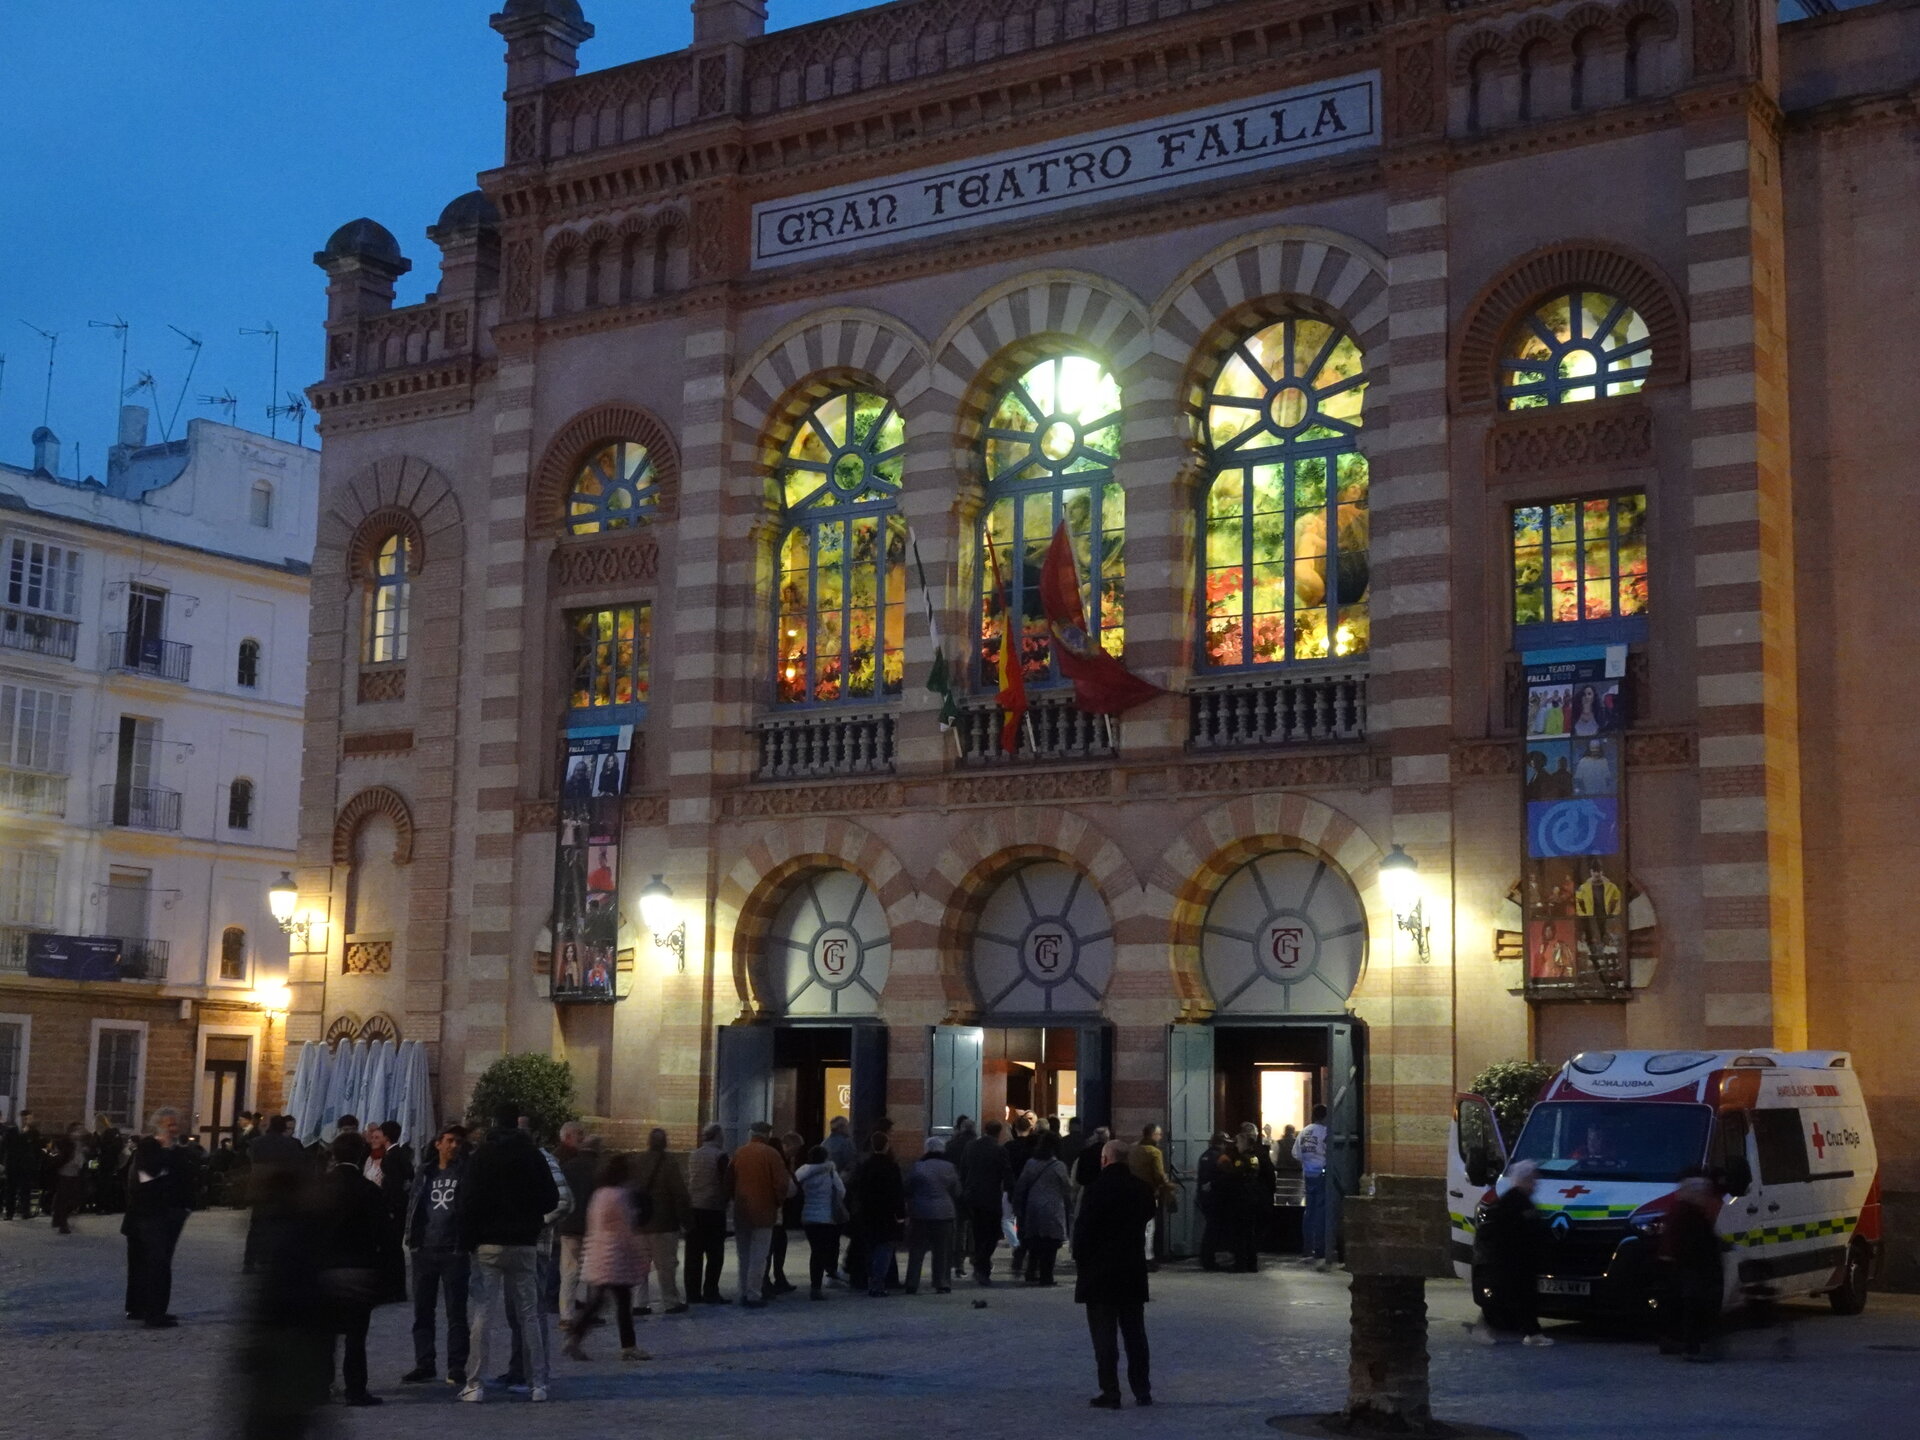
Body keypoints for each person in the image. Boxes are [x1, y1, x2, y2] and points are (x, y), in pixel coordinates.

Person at [458, 1107, 560, 1403]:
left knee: (482, 1314)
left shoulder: (482, 1157)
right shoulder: (532, 1156)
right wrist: (531, 1219)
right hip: (524, 1244)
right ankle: (538, 1383)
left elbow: (468, 1202)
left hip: (487, 1244)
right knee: (529, 1315)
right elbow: (551, 1198)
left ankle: (475, 1383)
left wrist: (468, 1240)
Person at [1073, 1140, 1157, 1410]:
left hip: (1100, 1273)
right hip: (1131, 1269)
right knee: (1135, 1334)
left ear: (1105, 1159)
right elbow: (1148, 1215)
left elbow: (1083, 1232)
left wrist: (1082, 1261)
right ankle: (1142, 1389)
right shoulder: (1141, 1189)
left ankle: (1111, 1391)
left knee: (1104, 1336)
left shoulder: (1096, 1190)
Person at [315, 1131, 394, 1407]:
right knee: (356, 1335)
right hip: (359, 1268)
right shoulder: (369, 1190)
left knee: (325, 1333)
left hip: (325, 1268)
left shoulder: (319, 1188)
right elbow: (384, 1235)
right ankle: (355, 1389)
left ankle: (320, 1386)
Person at [564, 1152, 651, 1362]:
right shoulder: (620, 1196)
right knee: (621, 1301)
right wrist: (641, 1255)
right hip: (615, 1257)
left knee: (597, 1302)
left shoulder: (600, 1193)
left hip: (598, 1254)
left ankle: (574, 1338)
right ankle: (628, 1347)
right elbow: (627, 1229)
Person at [402, 1125, 471, 1386]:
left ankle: (456, 1366)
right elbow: (414, 1205)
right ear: (438, 1144)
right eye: (450, 1141)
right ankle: (425, 1362)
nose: (455, 1146)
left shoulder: (465, 1172)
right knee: (423, 1311)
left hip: (454, 1249)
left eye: (458, 1142)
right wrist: (412, 1240)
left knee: (456, 1312)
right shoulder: (426, 1172)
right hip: (426, 1249)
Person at [1468, 1160, 1552, 1347]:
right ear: (1523, 1180)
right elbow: (1507, 1231)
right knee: (1508, 1296)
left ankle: (1532, 1332)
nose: (1535, 1183)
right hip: (1511, 1260)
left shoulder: (1520, 1200)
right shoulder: (1513, 1202)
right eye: (1532, 1179)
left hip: (1519, 1260)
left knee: (1522, 1297)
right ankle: (1489, 1328)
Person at [123, 1107, 190, 1327]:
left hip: (166, 1213)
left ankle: (144, 1307)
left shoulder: (177, 1150)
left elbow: (183, 1177)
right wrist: (166, 1158)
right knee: (154, 1262)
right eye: (170, 1124)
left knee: (154, 1261)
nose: (174, 1128)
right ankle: (151, 1312)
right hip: (148, 1214)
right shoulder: (149, 1146)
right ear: (160, 1125)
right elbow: (148, 1175)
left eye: (175, 1124)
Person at [1660, 1172, 1725, 1362]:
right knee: (1694, 1305)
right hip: (1692, 1267)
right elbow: (1698, 1243)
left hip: (1685, 1266)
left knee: (1685, 1305)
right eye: (1704, 1193)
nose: (1707, 1197)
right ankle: (1692, 1347)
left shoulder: (1682, 1211)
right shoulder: (1690, 1214)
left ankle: (1680, 1342)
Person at [731, 1121, 795, 1308]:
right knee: (759, 1256)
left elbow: (728, 1180)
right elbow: (782, 1184)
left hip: (741, 1211)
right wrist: (778, 1201)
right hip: (764, 1212)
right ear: (766, 1135)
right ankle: (753, 1294)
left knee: (743, 1255)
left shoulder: (739, 1152)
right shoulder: (772, 1154)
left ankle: (743, 1291)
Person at [633, 1127, 691, 1314]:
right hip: (664, 1223)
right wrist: (686, 1220)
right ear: (665, 1142)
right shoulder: (669, 1163)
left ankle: (639, 1302)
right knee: (666, 1266)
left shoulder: (637, 1161)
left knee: (640, 1266)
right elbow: (680, 1194)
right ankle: (670, 1301)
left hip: (640, 1222)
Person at [246, 1115, 308, 1274]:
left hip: (261, 1190)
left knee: (257, 1227)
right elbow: (300, 1167)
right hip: (281, 1191)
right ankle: (271, 1259)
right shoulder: (291, 1145)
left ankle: (250, 1261)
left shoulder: (256, 1143)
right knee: (278, 1227)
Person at [551, 1121, 597, 1336]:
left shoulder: (563, 1165)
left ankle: (566, 1316)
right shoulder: (590, 1169)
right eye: (578, 1133)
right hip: (587, 1226)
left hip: (568, 1225)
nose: (581, 1136)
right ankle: (588, 1312)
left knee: (568, 1272)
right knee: (590, 1272)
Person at [848, 1132, 906, 1297]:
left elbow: (857, 1189)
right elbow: (897, 1193)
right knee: (885, 1248)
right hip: (886, 1213)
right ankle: (878, 1283)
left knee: (870, 1247)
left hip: (867, 1212)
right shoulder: (891, 1166)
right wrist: (901, 1214)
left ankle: (869, 1278)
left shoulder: (865, 1165)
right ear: (886, 1145)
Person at [1012, 1131, 1072, 1285]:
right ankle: (1047, 1276)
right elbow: (1067, 1188)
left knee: (1035, 1241)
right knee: (1051, 1244)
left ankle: (1031, 1271)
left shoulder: (1031, 1163)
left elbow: (1021, 1185)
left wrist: (1018, 1205)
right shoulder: (1059, 1166)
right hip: (1053, 1208)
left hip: (1033, 1207)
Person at [904, 1135, 962, 1294]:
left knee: (917, 1249)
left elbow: (908, 1187)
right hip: (944, 1212)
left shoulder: (918, 1166)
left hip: (921, 1212)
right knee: (942, 1250)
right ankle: (941, 1282)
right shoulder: (949, 1167)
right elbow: (957, 1190)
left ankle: (912, 1282)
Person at [959, 1118, 1011, 1284]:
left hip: (973, 1196)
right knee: (992, 1233)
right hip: (991, 1197)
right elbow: (1006, 1173)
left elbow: (963, 1170)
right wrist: (1011, 1193)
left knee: (978, 1232)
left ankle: (980, 1264)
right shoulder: (999, 1150)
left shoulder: (971, 1147)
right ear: (998, 1133)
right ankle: (982, 1264)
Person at [685, 1123, 732, 1304]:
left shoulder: (694, 1155)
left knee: (693, 1254)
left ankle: (692, 1292)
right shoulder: (720, 1156)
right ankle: (711, 1290)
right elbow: (725, 1182)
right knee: (714, 1254)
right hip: (713, 1208)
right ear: (718, 1137)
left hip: (694, 1207)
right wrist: (726, 1201)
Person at [793, 1144, 846, 1300]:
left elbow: (795, 1188)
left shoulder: (802, 1172)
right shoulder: (830, 1172)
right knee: (821, 1251)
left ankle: (815, 1285)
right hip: (826, 1217)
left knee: (815, 1251)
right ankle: (819, 1284)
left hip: (808, 1216)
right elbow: (841, 1191)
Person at [1128, 1124, 1175, 1268]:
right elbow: (1159, 1175)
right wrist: (1169, 1186)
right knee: (1149, 1227)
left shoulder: (1133, 1149)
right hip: (1148, 1192)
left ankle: (1134, 1255)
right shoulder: (1154, 1152)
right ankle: (1148, 1257)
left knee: (1136, 1226)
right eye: (1159, 1134)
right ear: (1152, 1135)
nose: (1160, 1137)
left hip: (1132, 1191)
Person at [771, 1130, 807, 1295]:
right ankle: (774, 1278)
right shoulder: (778, 1160)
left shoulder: (784, 1159)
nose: (795, 1153)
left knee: (778, 1244)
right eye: (795, 1149)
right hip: (773, 1211)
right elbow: (786, 1185)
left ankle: (778, 1277)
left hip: (778, 1212)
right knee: (775, 1245)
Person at [1295, 1104, 1331, 1265]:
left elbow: (1295, 1153)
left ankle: (1307, 1248)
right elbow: (1330, 1151)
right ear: (1324, 1116)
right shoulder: (1324, 1131)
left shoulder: (1304, 1131)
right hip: (1322, 1175)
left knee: (1309, 1212)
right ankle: (1320, 1248)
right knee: (1321, 1212)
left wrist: (1307, 1162)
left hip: (1307, 1174)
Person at [1195, 1131, 1231, 1271]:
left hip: (1204, 1198)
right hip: (1217, 1199)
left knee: (1209, 1229)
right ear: (1222, 1143)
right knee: (1213, 1231)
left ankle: (1206, 1259)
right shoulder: (1222, 1158)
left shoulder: (1204, 1155)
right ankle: (1209, 1261)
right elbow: (1229, 1175)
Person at [3, 1108, 43, 1219]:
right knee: (11, 1190)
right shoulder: (11, 1131)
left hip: (26, 1165)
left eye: (29, 1119)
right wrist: (24, 1135)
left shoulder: (34, 1132)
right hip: (13, 1165)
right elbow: (9, 1147)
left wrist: (36, 1163)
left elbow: (37, 1148)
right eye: (25, 1119)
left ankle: (25, 1212)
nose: (27, 1121)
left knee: (25, 1189)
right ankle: (9, 1213)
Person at [50, 1124, 88, 1234]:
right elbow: (65, 1157)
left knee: (68, 1198)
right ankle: (62, 1223)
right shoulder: (66, 1143)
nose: (80, 1133)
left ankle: (58, 1219)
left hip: (75, 1173)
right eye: (77, 1131)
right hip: (65, 1172)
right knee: (64, 1199)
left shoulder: (80, 1143)